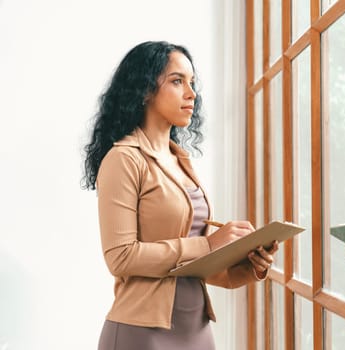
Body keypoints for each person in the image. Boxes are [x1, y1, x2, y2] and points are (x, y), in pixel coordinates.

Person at [82, 41, 278, 350]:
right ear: (145, 90)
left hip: (195, 328)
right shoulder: (124, 159)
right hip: (141, 333)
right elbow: (120, 257)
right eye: (177, 81)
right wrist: (210, 243)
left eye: (192, 83)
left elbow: (190, 268)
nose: (191, 93)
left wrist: (247, 265)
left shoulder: (180, 160)